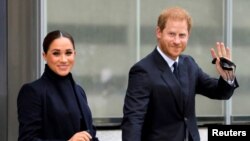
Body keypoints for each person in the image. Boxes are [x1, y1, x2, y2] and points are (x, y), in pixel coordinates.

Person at [121, 7, 239, 141]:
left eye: (182, 35)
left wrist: (227, 75)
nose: (177, 41)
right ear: (159, 32)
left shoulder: (189, 64)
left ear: (188, 35)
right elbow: (133, 121)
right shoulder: (142, 71)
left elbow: (220, 92)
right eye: (171, 34)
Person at [17, 30, 99, 141]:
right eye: (56, 53)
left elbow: (90, 133)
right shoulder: (32, 92)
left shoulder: (79, 91)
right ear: (44, 56)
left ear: (74, 54)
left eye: (68, 53)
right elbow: (27, 139)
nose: (63, 60)